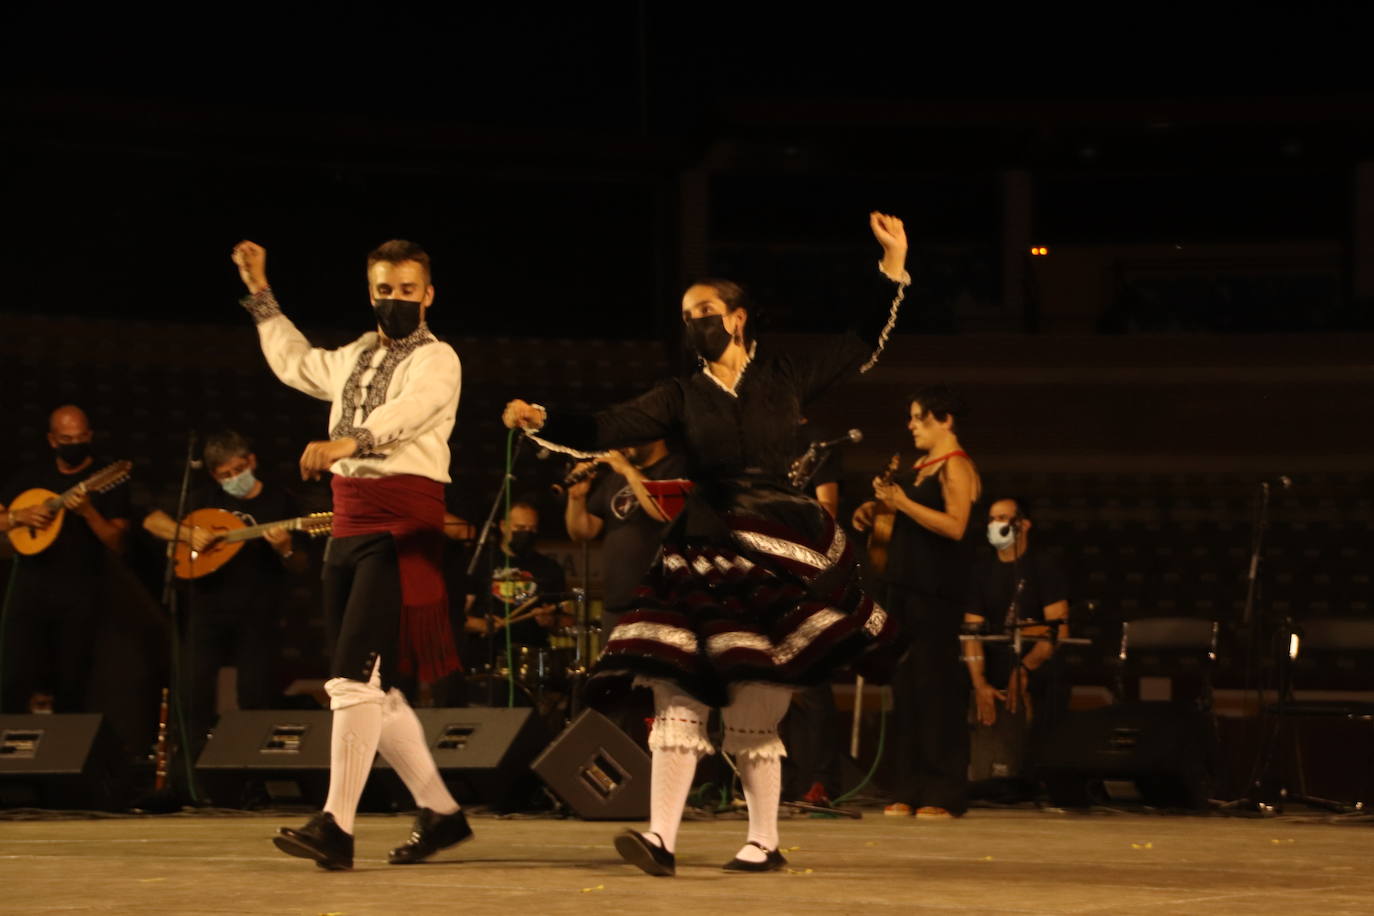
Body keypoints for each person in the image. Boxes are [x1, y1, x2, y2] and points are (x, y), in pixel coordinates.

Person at [503, 211, 909, 875]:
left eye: (708, 310)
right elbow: (608, 424)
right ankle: (660, 838)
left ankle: (764, 841)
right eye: (688, 313)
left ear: (740, 317)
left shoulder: (783, 379)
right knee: (677, 697)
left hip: (778, 552)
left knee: (754, 711)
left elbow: (859, 343)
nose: (696, 321)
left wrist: (891, 267)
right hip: (702, 549)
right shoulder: (681, 394)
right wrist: (543, 420)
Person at [231, 237, 470, 871]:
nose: (395, 300)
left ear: (428, 295)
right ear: (371, 293)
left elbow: (412, 412)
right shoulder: (361, 352)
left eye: (407, 290)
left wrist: (349, 441)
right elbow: (297, 363)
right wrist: (261, 295)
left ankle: (336, 823)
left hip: (400, 527)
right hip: (351, 523)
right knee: (371, 687)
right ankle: (442, 813)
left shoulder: (439, 358)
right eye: (384, 290)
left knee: (350, 679)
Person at [852, 385, 981, 819]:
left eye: (917, 418)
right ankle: (907, 785)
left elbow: (956, 526)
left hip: (934, 593)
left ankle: (943, 789)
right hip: (902, 590)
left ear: (943, 420)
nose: (910, 426)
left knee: (936, 690)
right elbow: (901, 523)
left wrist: (902, 503)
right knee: (906, 692)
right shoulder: (919, 467)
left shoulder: (956, 467)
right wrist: (875, 511)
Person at [142, 430, 308, 757]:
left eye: (238, 470)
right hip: (205, 609)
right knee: (194, 690)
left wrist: (286, 549)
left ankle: (252, 774)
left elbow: (300, 565)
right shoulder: (205, 499)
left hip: (258, 613)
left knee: (255, 693)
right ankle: (190, 769)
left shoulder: (281, 502)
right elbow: (150, 520)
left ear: (251, 461)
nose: (234, 479)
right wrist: (188, 534)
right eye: (225, 476)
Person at [0, 405, 130, 714]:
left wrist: (88, 512)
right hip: (30, 587)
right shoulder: (31, 476)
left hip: (80, 590)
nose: (74, 443)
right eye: (66, 438)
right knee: (16, 669)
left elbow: (117, 542)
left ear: (89, 436)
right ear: (52, 440)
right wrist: (19, 516)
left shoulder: (107, 478)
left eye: (80, 436)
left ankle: (68, 749)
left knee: (73, 675)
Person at [962, 497, 1070, 799]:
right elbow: (971, 631)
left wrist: (1024, 670)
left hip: (1034, 664)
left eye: (1002, 518)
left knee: (1050, 682)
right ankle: (981, 776)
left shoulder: (1044, 565)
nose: (995, 525)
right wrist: (979, 683)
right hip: (993, 663)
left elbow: (1058, 629)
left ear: (1023, 524)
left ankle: (1037, 777)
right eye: (991, 519)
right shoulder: (981, 570)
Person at [563, 441, 684, 634]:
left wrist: (628, 470)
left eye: (629, 436)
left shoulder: (676, 467)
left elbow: (665, 510)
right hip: (616, 606)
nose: (621, 443)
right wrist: (577, 498)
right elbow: (582, 532)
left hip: (659, 606)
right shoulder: (615, 479)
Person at [464, 500, 571, 677]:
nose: (526, 533)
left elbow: (567, 621)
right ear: (504, 526)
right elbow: (457, 618)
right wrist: (481, 624)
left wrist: (551, 620)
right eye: (520, 528)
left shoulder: (549, 568)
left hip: (532, 660)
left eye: (532, 529)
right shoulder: (480, 563)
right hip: (485, 658)